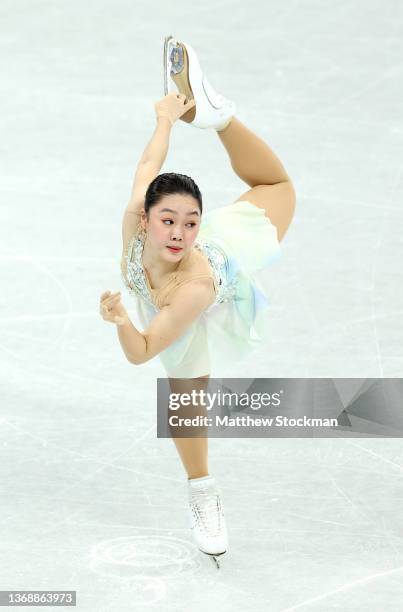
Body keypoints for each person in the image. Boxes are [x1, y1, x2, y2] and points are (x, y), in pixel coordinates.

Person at [99, 36, 296, 567]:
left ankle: (219, 115)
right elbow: (150, 162)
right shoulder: (135, 214)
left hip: (213, 284)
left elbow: (140, 352)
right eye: (169, 220)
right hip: (164, 288)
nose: (180, 231)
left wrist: (120, 319)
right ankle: (203, 490)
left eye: (190, 222)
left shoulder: (195, 289)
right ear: (146, 218)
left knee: (277, 185)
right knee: (187, 399)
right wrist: (165, 117)